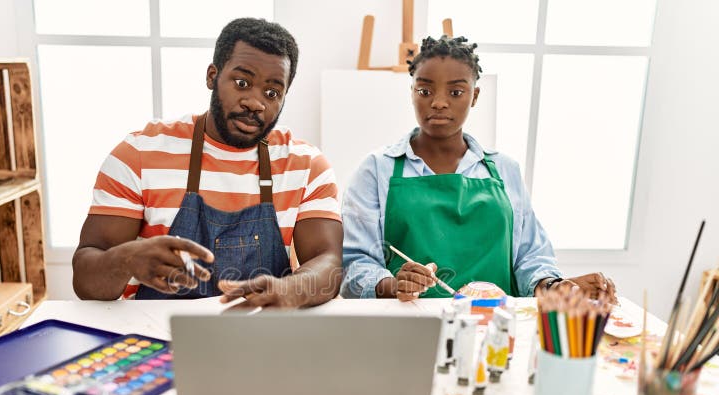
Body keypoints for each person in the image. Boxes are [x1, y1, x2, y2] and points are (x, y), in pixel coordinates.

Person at [73, 18, 343, 309]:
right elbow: (86, 280)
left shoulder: (305, 166)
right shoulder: (139, 154)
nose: (255, 102)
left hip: (264, 332)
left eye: (272, 93)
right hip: (156, 335)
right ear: (212, 76)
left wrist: (291, 289)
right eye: (242, 83)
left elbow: (328, 262)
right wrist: (126, 259)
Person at [341, 35, 616, 302]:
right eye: (424, 91)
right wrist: (392, 284)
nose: (438, 102)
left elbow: (530, 256)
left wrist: (555, 287)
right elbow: (354, 263)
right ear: (411, 93)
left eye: (456, 92)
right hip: (406, 328)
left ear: (474, 96)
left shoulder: (505, 170)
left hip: (493, 330)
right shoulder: (376, 170)